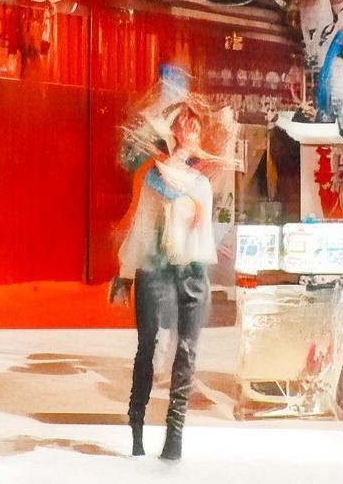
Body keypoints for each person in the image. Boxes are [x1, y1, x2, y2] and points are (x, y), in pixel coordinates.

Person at [109, 105, 216, 461]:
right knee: (149, 348)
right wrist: (126, 273)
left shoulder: (200, 184)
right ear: (173, 135)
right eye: (186, 128)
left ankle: (175, 435)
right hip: (156, 271)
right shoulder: (154, 179)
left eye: (196, 129)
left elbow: (201, 238)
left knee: (186, 351)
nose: (192, 135)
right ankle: (137, 430)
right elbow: (142, 231)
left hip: (191, 274)